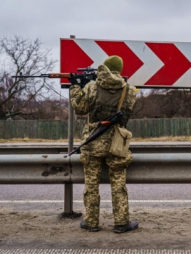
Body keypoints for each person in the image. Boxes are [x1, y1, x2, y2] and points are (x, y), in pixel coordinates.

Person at [69, 55, 138, 233]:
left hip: (93, 142)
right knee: (118, 184)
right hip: (117, 143)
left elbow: (80, 108)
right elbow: (126, 115)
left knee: (91, 184)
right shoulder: (129, 90)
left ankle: (91, 222)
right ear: (119, 71)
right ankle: (121, 223)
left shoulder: (91, 87)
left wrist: (76, 87)